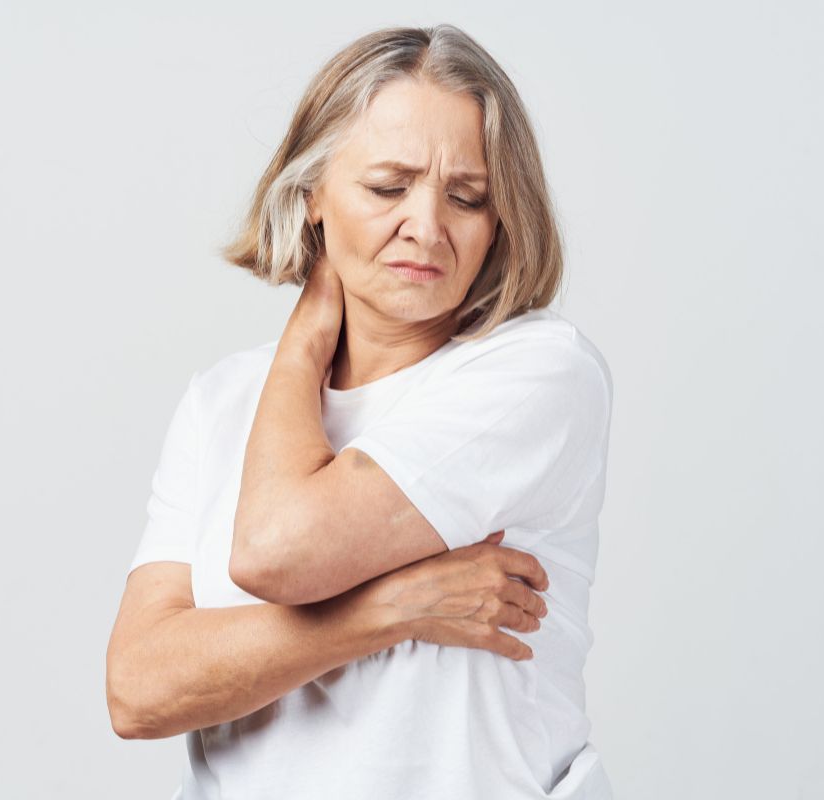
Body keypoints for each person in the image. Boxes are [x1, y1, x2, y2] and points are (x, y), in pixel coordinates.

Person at [106, 24, 615, 799]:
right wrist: (391, 609)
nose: (427, 226)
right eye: (388, 187)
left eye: (468, 197)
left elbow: (277, 548)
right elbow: (138, 690)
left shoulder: (538, 374)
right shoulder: (224, 402)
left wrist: (309, 336)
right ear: (310, 194)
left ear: (501, 220)